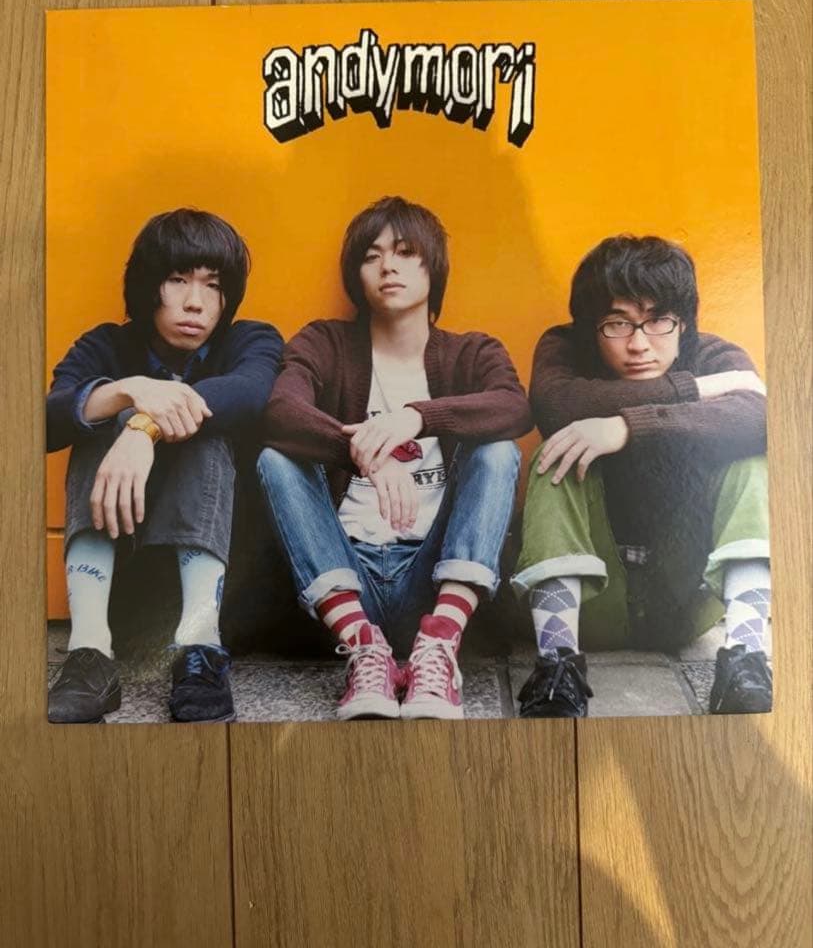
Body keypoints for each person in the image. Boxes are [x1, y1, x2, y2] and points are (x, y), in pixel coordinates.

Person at [257, 196, 531, 720]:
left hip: (433, 578)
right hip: (346, 570)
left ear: (434, 267)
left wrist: (417, 418)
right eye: (372, 255)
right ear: (355, 274)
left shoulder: (472, 352)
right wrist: (364, 456)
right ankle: (365, 650)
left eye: (405, 252)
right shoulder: (325, 342)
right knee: (277, 460)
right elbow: (280, 412)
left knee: (498, 451)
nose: (387, 266)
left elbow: (513, 406)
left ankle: (440, 646)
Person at [512, 234, 770, 718]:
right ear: (590, 327)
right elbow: (555, 407)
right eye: (617, 324)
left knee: (749, 457)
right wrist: (692, 390)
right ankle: (557, 666)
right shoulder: (564, 346)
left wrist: (627, 426)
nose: (639, 343)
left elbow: (760, 418)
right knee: (558, 448)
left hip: (682, 601)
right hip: (593, 602)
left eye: (658, 321)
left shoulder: (715, 354)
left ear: (683, 322)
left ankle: (746, 659)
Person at [47, 208, 283, 723]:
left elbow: (251, 393)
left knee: (201, 423)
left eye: (213, 285)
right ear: (147, 286)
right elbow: (45, 421)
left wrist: (144, 426)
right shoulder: (107, 345)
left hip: (226, 598)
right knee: (97, 418)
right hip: (127, 595)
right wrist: (126, 391)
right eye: (177, 280)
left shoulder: (250, 340)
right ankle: (89, 652)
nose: (195, 302)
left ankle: (201, 650)